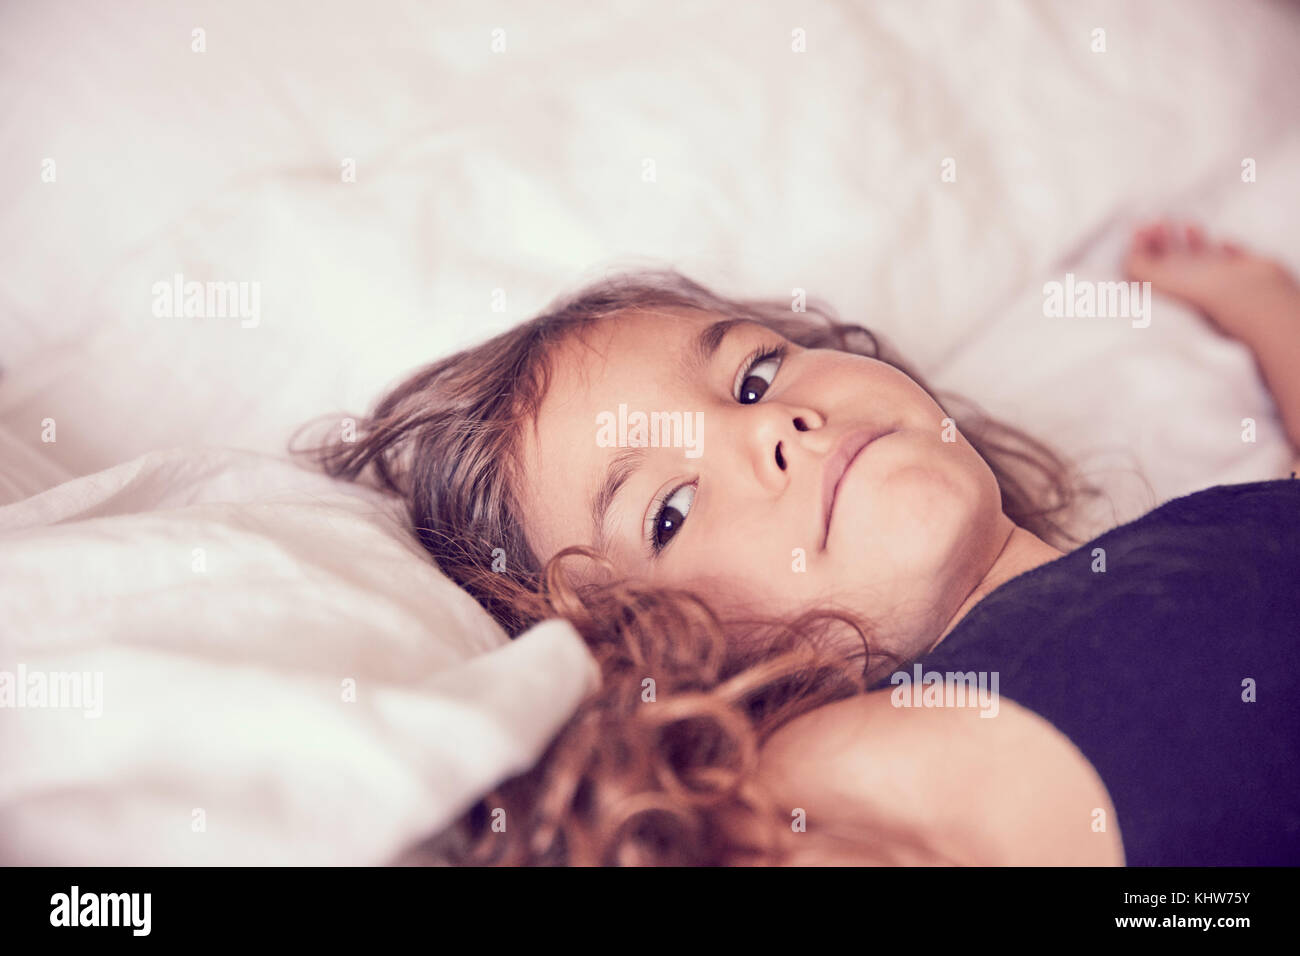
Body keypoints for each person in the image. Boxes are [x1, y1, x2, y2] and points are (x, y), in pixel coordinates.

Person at [299, 221, 1300, 865]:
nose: (769, 428)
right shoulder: (837, 766)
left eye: (750, 376)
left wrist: (1263, 305)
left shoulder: (1199, 529)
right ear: (646, 649)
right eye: (669, 509)